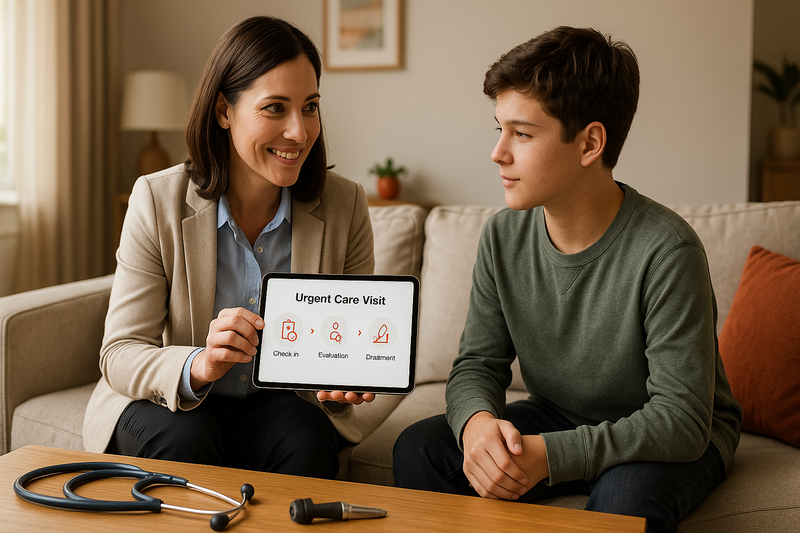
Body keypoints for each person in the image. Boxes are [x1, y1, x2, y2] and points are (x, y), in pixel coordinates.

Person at [392, 26, 742, 532]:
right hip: (559, 415)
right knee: (420, 448)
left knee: (624, 501)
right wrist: (477, 426)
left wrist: (551, 456)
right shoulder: (502, 237)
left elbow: (682, 419)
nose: (498, 153)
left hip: (668, 431)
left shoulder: (668, 249)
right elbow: (476, 365)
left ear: (590, 143)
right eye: (499, 129)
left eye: (523, 133)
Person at [83, 16, 375, 479]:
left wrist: (344, 376)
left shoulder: (345, 204)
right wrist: (200, 363)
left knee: (307, 440)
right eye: (275, 108)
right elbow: (119, 352)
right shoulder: (156, 198)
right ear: (224, 111)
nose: (299, 132)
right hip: (171, 400)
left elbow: (349, 345)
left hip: (275, 404)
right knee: (186, 440)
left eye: (310, 106)